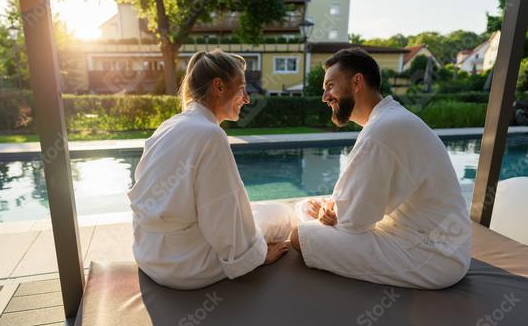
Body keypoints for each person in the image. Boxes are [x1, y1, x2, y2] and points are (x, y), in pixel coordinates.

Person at [290, 48, 472, 290]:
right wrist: (332, 208)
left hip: (433, 256)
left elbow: (352, 225)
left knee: (300, 235)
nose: (325, 96)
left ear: (357, 82)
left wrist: (332, 211)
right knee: (306, 207)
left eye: (330, 86)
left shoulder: (382, 131)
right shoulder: (390, 119)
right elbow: (361, 204)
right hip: (441, 243)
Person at [128, 49, 288, 290]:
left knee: (254, 213)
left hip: (148, 254)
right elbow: (221, 215)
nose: (247, 99)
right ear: (219, 87)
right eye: (242, 88)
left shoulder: (169, 126)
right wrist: (255, 257)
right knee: (282, 214)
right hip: (186, 266)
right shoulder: (210, 135)